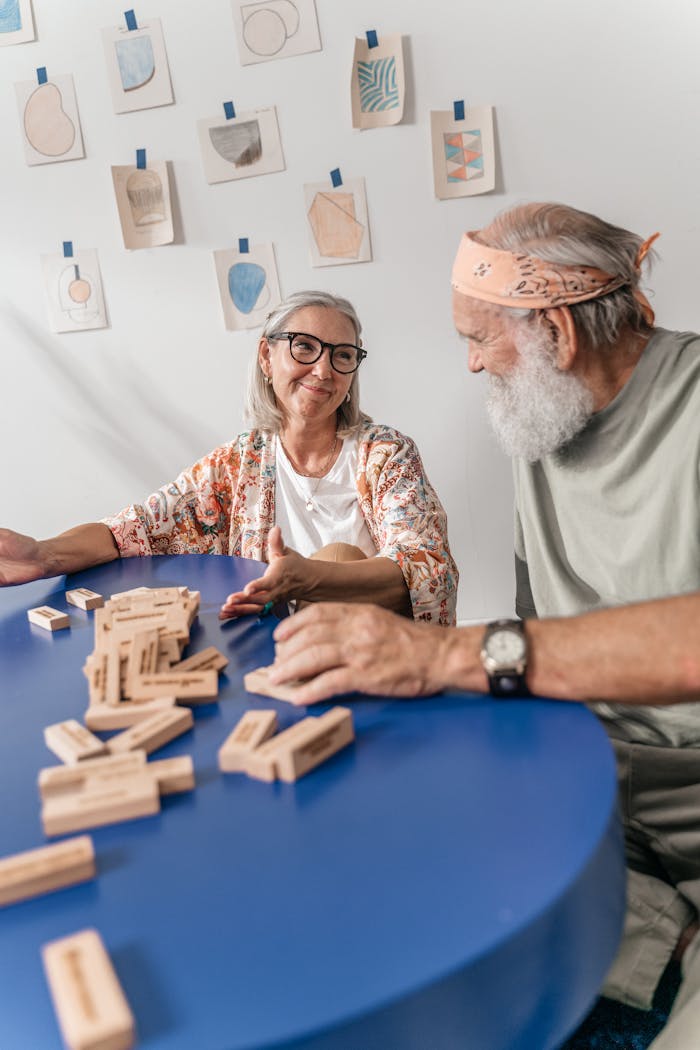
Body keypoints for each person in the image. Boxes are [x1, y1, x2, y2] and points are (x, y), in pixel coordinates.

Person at [267, 205, 700, 1048]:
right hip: (594, 778)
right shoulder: (546, 413)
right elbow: (545, 636)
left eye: (479, 338)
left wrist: (447, 653)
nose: (469, 364)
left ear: (557, 333)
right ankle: (661, 939)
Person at [0, 290, 457, 625]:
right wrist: (45, 555)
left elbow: (427, 567)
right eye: (304, 347)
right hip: (278, 652)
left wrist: (310, 577)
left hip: (376, 647)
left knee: (340, 555)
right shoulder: (238, 465)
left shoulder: (386, 454)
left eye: (342, 356)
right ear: (266, 355)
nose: (323, 370)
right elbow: (136, 528)